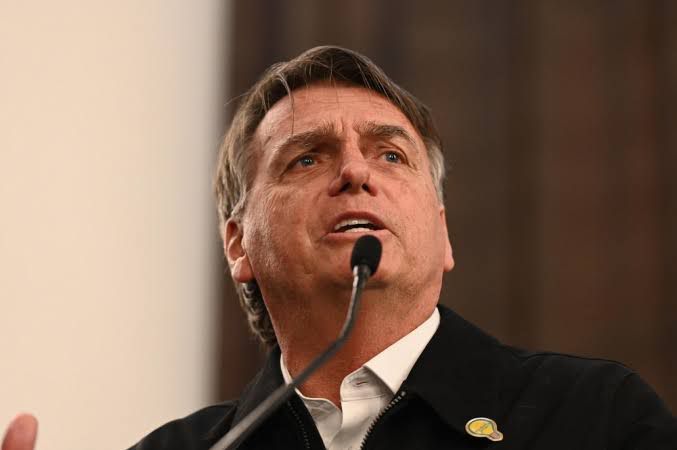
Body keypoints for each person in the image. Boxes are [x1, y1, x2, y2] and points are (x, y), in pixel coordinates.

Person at [3, 46, 676, 450]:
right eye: (306, 158)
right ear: (238, 244)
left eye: (391, 154)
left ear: (443, 232)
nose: (356, 171)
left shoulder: (595, 417)